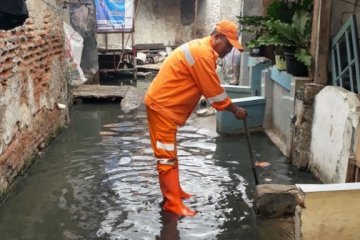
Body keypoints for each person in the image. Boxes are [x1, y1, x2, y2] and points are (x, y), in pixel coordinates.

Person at [144, 20, 248, 217]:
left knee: (170, 153)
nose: (228, 51)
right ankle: (172, 203)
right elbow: (215, 94)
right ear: (217, 37)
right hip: (163, 107)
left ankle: (176, 192)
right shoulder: (202, 55)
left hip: (164, 106)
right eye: (228, 45)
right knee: (166, 156)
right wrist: (236, 110)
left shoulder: (202, 50)